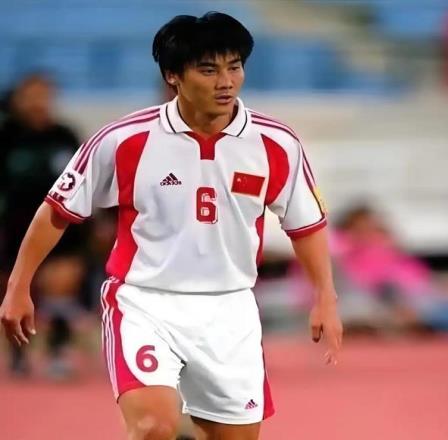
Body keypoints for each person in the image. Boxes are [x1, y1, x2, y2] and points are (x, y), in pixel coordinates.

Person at [0, 12, 342, 440]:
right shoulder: (123, 140)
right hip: (144, 302)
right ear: (173, 76)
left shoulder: (277, 144)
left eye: (234, 67)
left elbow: (306, 226)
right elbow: (56, 211)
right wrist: (19, 286)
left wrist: (325, 297)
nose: (226, 82)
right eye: (208, 70)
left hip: (230, 310)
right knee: (153, 428)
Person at [0, 73, 85, 377]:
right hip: (14, 229)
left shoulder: (65, 136)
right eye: (32, 96)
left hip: (61, 229)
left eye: (44, 95)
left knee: (61, 283)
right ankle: (18, 352)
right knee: (14, 287)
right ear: (19, 99)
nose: (38, 102)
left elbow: (84, 184)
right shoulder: (7, 137)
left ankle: (57, 349)